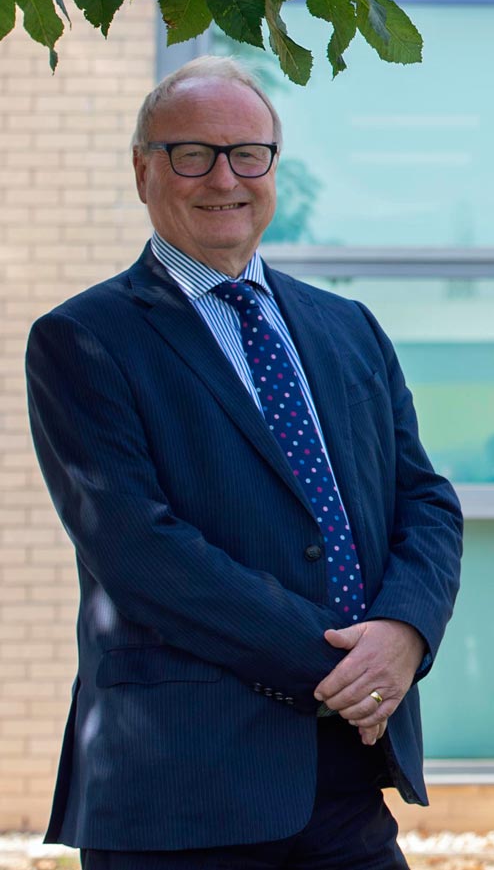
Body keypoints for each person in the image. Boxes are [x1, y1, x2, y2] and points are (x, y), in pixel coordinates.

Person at [25, 56, 464, 868]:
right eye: (192, 153)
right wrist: (346, 663)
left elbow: (425, 501)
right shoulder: (83, 340)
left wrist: (404, 632)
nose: (224, 176)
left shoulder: (348, 326)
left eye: (247, 153)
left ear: (273, 166)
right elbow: (142, 551)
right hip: (183, 791)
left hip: (347, 780)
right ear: (143, 169)